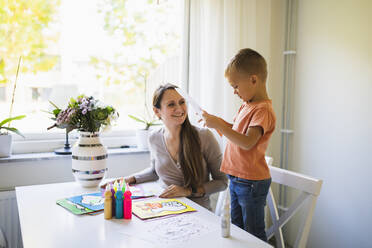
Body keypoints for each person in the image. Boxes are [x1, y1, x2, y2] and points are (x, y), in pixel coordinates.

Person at [103, 83, 227, 210]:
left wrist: (188, 191)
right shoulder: (154, 138)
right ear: (157, 111)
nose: (179, 109)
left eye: (182, 102)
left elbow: (222, 182)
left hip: (199, 212)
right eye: (171, 104)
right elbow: (154, 172)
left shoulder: (204, 136)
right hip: (164, 208)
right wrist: (129, 179)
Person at [202, 48, 276, 241]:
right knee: (237, 230)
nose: (234, 92)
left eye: (235, 86)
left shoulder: (263, 110)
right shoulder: (247, 105)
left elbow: (247, 142)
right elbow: (237, 131)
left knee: (253, 235)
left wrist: (220, 125)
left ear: (253, 80)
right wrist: (218, 122)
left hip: (250, 182)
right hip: (237, 178)